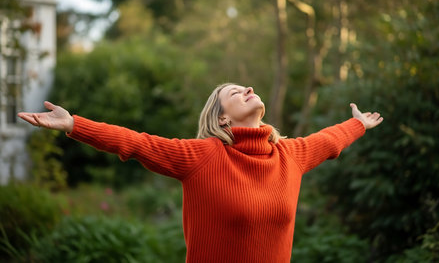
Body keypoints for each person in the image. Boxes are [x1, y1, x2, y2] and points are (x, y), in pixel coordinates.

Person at [18, 83, 383, 263]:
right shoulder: (202, 157)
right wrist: (73, 124)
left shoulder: (291, 154)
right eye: (236, 92)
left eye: (248, 87)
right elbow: (135, 143)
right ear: (221, 117)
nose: (248, 89)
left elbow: (329, 139)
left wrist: (358, 126)